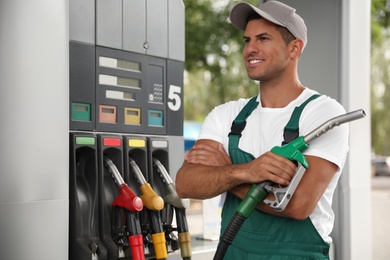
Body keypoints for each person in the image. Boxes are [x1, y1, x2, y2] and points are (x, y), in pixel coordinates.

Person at [176, 1, 349, 259]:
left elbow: (299, 205)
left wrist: (227, 176)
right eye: (247, 40)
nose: (250, 49)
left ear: (294, 48)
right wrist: (246, 171)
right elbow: (185, 183)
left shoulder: (324, 114)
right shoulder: (227, 115)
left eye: (263, 38)